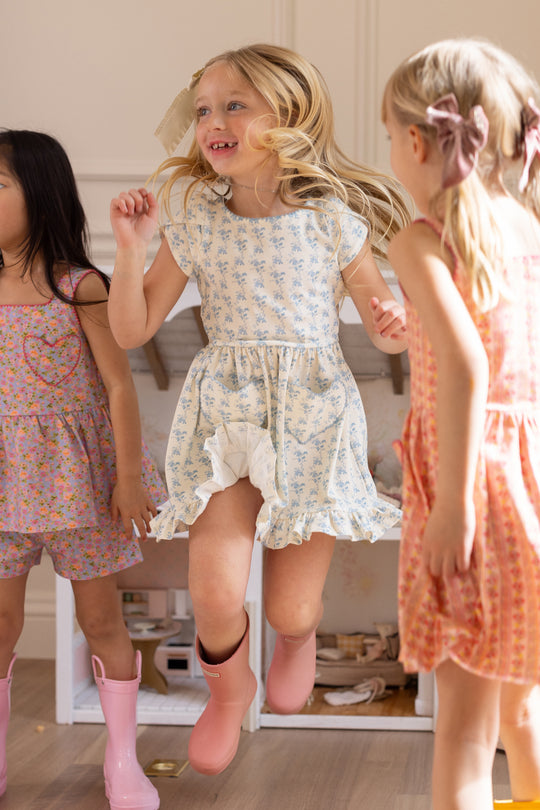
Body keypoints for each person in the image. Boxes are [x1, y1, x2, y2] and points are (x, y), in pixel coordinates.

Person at [109, 42, 409, 777]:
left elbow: (381, 325)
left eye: (234, 106)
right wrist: (130, 249)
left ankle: (297, 640)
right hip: (227, 416)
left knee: (290, 610)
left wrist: (395, 320)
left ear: (291, 116)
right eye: (204, 110)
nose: (213, 122)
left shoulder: (333, 218)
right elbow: (131, 329)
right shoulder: (196, 218)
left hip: (313, 416)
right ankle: (227, 690)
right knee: (214, 592)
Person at [383, 38, 540, 810]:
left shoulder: (421, 237)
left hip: (472, 480)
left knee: (465, 734)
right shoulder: (527, 227)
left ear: (417, 143)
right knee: (523, 706)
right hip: (530, 473)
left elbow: (467, 365)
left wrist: (455, 505)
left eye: (389, 137)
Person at [0, 129, 166, 810]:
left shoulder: (81, 287)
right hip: (5, 485)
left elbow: (120, 386)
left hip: (80, 484)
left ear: (39, 193)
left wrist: (128, 478)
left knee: (101, 620)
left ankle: (122, 762)